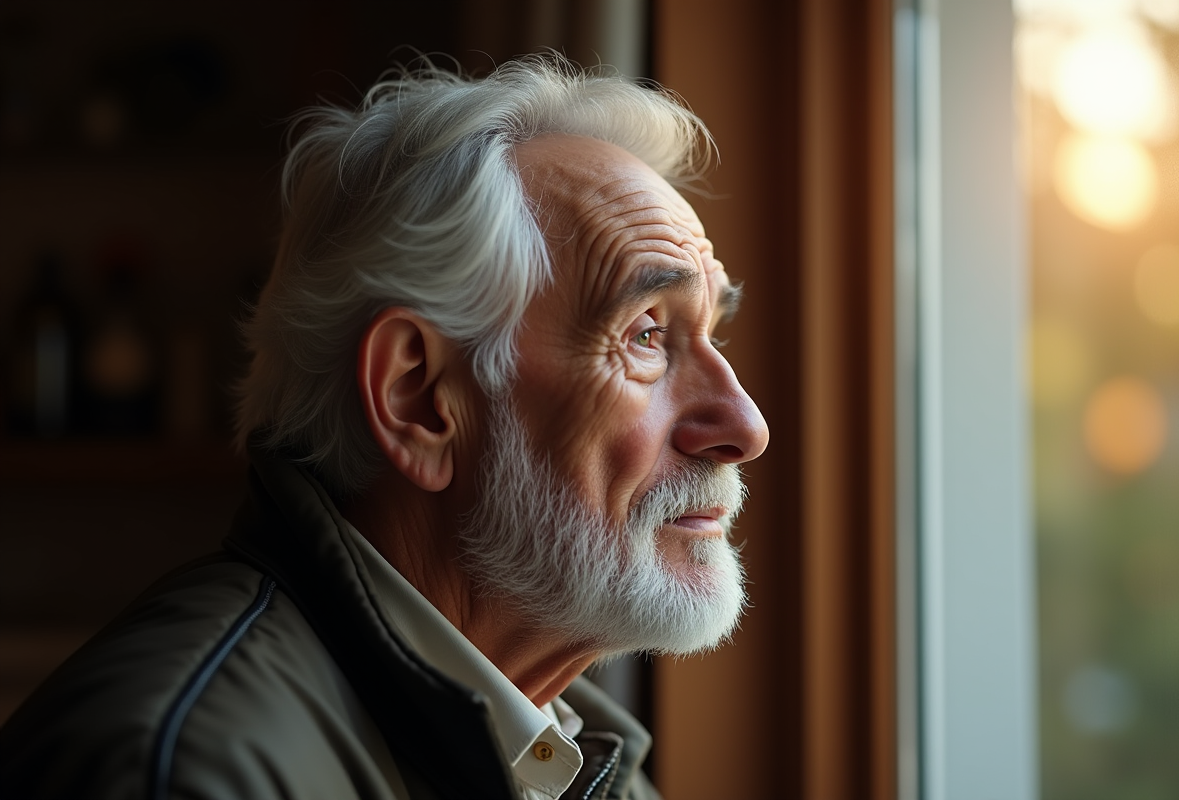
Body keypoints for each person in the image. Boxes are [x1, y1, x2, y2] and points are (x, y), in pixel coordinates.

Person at [0, 55, 769, 800]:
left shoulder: (576, 758)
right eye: (644, 335)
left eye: (712, 333)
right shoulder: (183, 771)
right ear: (419, 399)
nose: (745, 425)